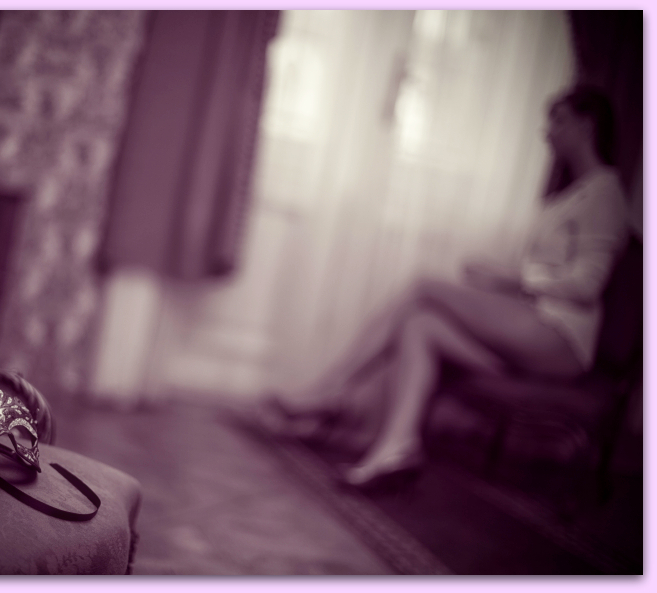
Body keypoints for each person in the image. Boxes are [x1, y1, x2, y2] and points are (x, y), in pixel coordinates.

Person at [260, 85, 630, 490]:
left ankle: (331, 390)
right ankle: (396, 446)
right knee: (421, 325)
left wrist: (507, 279)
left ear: (587, 125)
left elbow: (587, 286)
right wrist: (498, 278)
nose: (547, 131)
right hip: (534, 329)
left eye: (558, 120)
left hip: (561, 340)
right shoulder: (566, 197)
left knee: (424, 286)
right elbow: (546, 272)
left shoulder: (605, 194)